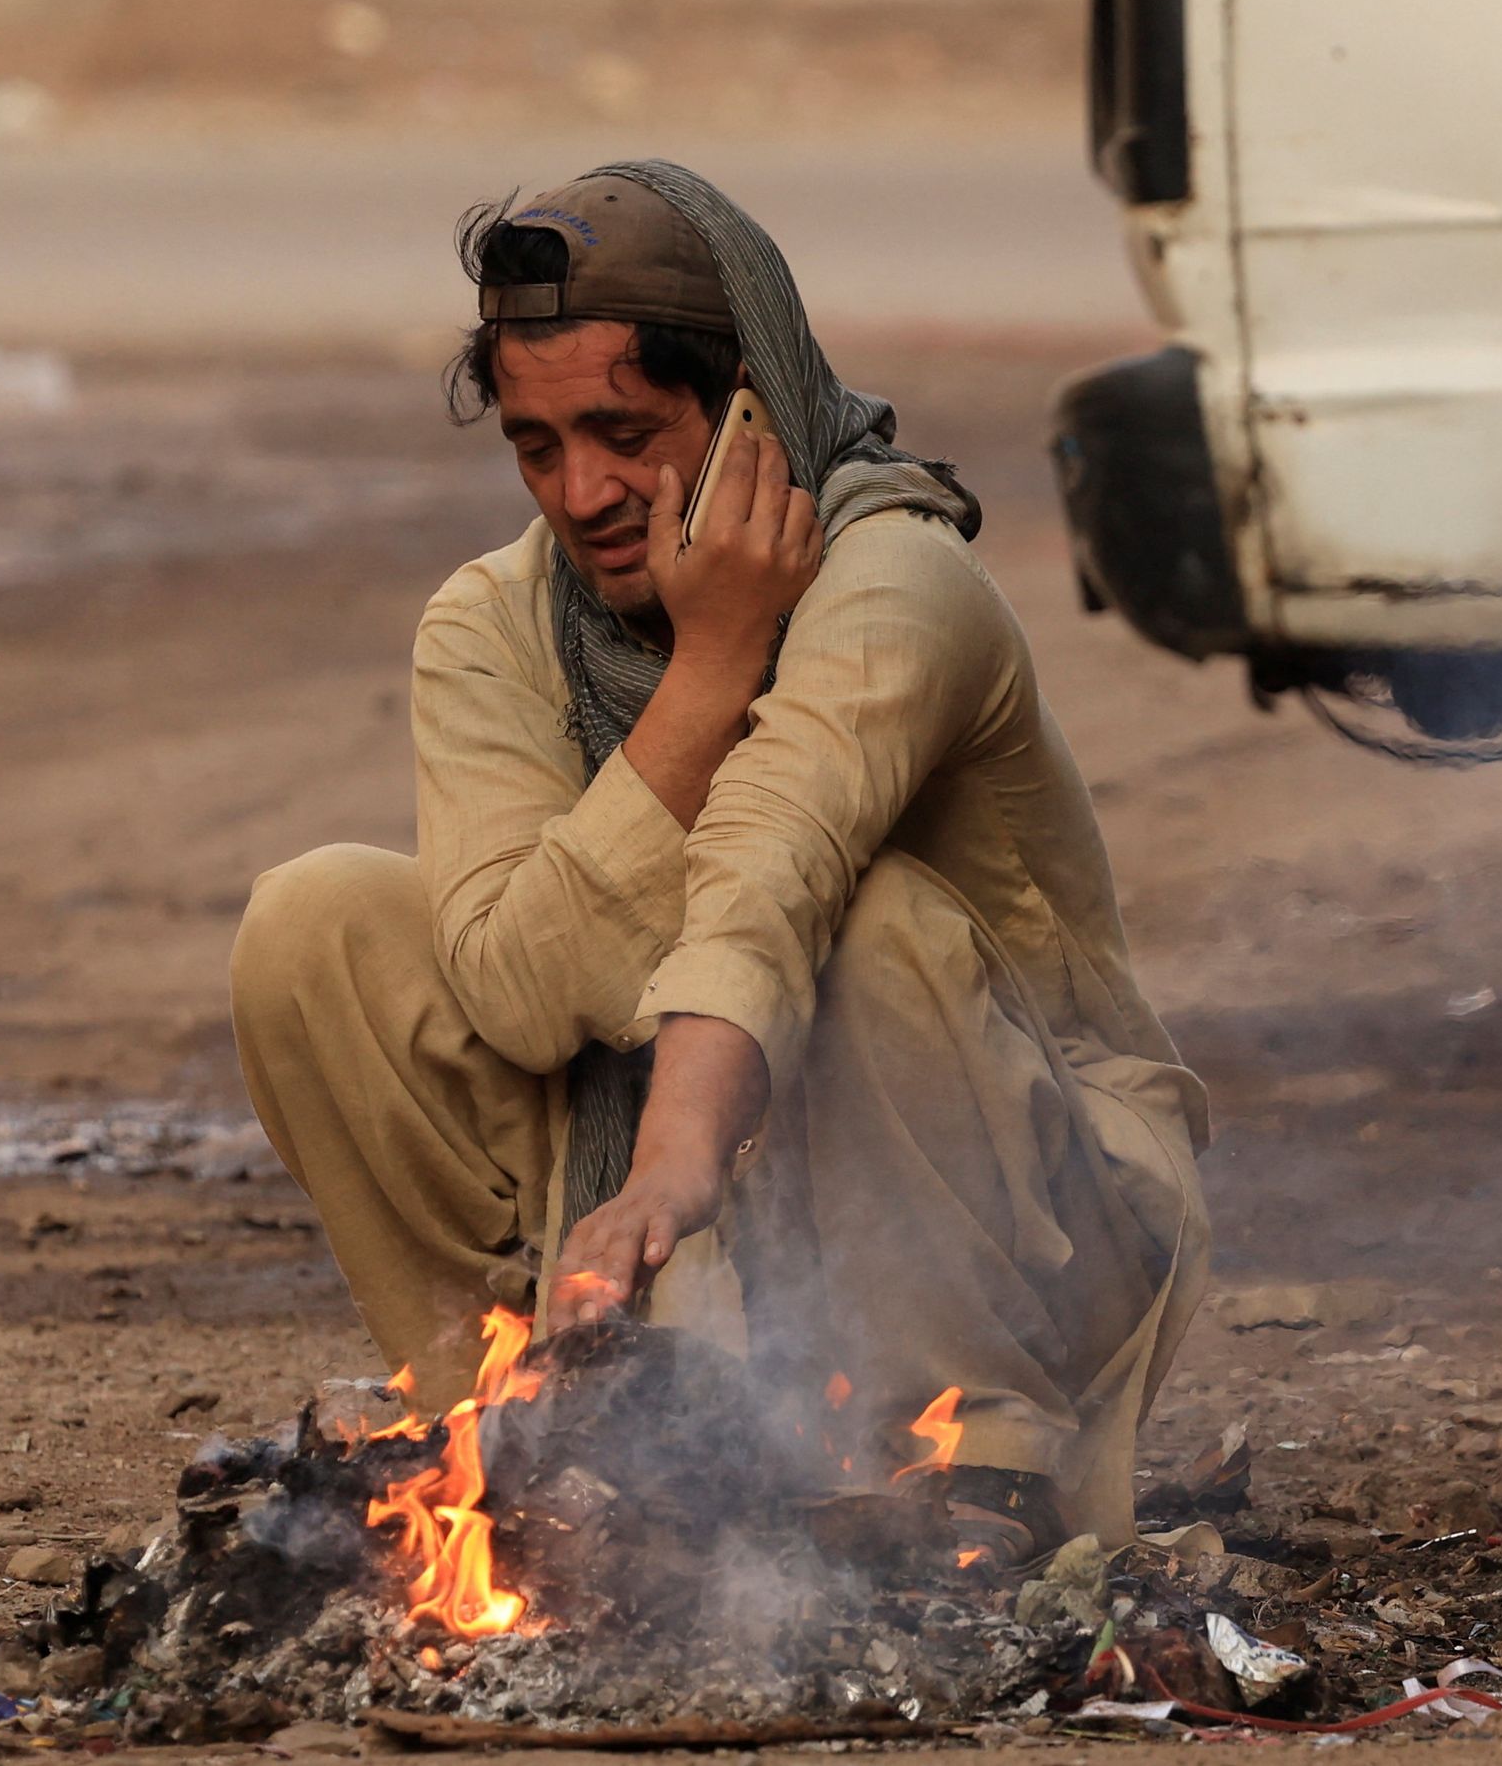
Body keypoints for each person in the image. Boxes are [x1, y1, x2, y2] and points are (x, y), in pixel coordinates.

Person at [228, 161, 1210, 1555]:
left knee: (876, 924)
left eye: (624, 430)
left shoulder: (897, 582)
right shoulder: (494, 626)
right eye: (536, 444)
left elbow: (771, 877)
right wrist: (708, 672)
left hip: (1028, 1224)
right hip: (667, 1215)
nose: (583, 489)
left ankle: (966, 1469)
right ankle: (525, 1445)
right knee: (313, 921)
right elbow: (514, 985)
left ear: (750, 397)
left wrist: (678, 1162)